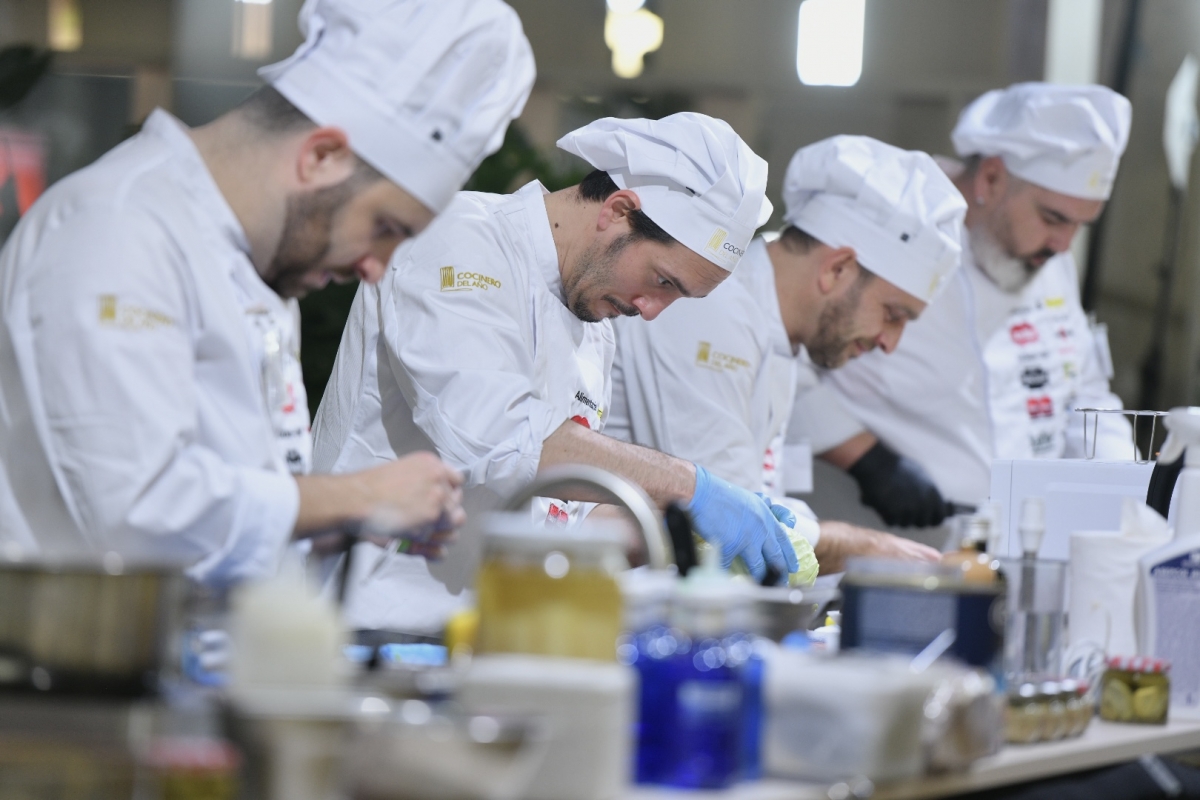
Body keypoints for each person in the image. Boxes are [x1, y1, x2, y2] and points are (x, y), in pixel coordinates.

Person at [0, 0, 536, 582]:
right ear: (322, 157)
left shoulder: (257, 264)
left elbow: (233, 494)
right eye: (385, 228)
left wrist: (340, 521)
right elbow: (135, 511)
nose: (377, 267)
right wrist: (354, 495)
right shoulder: (115, 227)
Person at [312, 113, 804, 633]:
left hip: (480, 630)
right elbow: (499, 441)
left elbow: (558, 507)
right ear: (618, 210)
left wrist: (681, 532)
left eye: (678, 296)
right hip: (362, 622)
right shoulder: (460, 238)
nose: (653, 310)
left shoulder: (594, 324)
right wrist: (687, 486)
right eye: (662, 280)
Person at [606, 135, 965, 573]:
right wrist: (867, 547)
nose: (890, 343)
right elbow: (732, 526)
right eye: (893, 314)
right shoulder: (711, 309)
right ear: (837, 269)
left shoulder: (775, 329)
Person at [792, 83, 1133, 530]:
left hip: (1017, 537)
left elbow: (1085, 390)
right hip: (879, 527)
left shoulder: (1051, 263)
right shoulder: (891, 219)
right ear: (991, 178)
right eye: (1053, 219)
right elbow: (784, 357)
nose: (1064, 244)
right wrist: (864, 457)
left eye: (1080, 226)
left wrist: (1121, 486)